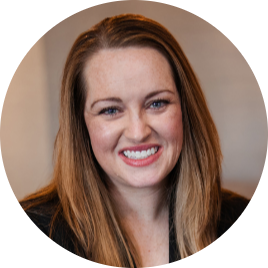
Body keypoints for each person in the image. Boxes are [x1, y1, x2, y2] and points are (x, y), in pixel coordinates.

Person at [18, 14, 250, 268]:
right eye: (110, 110)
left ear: (185, 109)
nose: (138, 132)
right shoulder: (39, 225)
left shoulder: (235, 216)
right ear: (81, 125)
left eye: (157, 103)